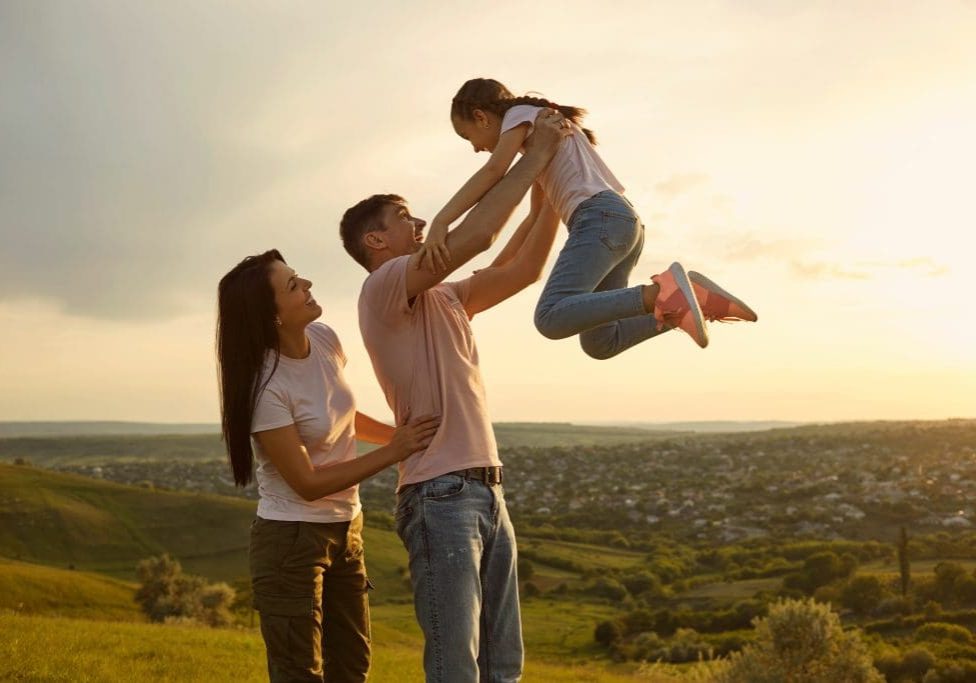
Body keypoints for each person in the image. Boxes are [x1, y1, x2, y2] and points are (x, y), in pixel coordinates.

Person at [339, 109, 571, 682]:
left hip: (487, 488)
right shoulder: (384, 286)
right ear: (375, 241)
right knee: (456, 668)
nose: (420, 223)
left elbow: (522, 267)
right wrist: (534, 156)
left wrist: (546, 196)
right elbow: (478, 235)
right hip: (439, 496)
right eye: (403, 218)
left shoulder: (444, 297)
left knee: (503, 666)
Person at [216, 249, 439, 683]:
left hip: (346, 530)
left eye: (300, 277)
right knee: (300, 672)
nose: (308, 286)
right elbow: (308, 483)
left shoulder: (324, 339)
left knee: (353, 666)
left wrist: (399, 433)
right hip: (291, 541)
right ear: (271, 314)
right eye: (294, 286)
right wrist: (395, 452)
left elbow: (340, 414)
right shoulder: (266, 388)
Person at [417, 77, 758, 358]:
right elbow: (535, 218)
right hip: (624, 226)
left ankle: (661, 295)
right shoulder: (542, 139)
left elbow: (494, 171)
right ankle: (691, 300)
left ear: (481, 117)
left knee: (550, 317)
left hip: (600, 219)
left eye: (468, 137)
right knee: (601, 343)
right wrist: (497, 268)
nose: (475, 147)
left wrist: (442, 222)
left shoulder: (522, 115)